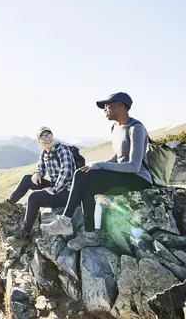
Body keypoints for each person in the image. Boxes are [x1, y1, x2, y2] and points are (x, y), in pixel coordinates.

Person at [40, 92, 153, 250]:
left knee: (80, 175)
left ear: (121, 105)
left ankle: (65, 221)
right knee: (86, 181)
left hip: (138, 178)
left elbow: (133, 165)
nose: (105, 109)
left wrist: (100, 166)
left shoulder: (136, 128)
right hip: (122, 175)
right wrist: (96, 164)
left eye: (108, 105)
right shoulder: (115, 128)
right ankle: (90, 236)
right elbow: (118, 157)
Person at [0, 126, 76, 246]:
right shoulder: (44, 153)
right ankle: (9, 204)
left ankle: (24, 235)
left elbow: (66, 173)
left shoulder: (62, 149)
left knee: (34, 197)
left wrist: (54, 190)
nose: (47, 138)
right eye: (43, 136)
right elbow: (41, 168)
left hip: (68, 192)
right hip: (55, 186)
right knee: (27, 179)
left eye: (49, 135)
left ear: (53, 136)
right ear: (39, 141)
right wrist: (37, 174)